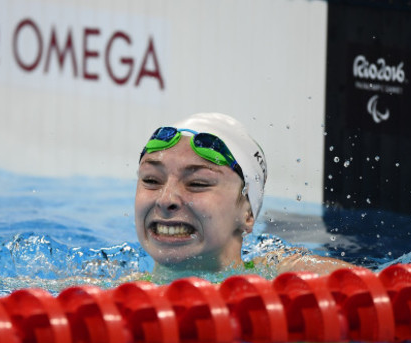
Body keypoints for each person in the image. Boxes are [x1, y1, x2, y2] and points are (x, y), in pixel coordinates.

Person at [134, 112, 353, 283]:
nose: (165, 200)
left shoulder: (281, 276)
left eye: (197, 183)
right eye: (151, 180)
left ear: (247, 213)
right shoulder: (112, 288)